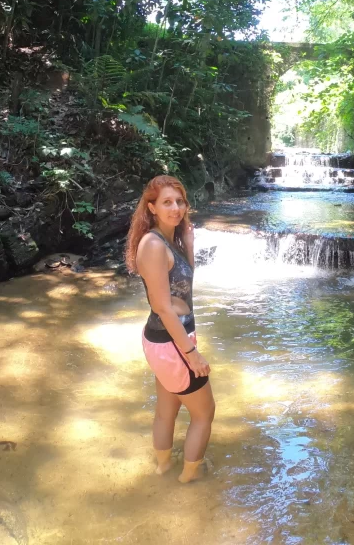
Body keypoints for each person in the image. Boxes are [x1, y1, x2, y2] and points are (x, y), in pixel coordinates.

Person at [125, 175, 214, 483]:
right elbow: (164, 307)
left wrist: (188, 245)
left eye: (179, 201)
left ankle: (163, 467)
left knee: (167, 410)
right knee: (204, 414)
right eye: (167, 202)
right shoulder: (152, 244)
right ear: (151, 207)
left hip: (166, 341)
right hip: (174, 343)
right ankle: (190, 476)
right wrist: (192, 354)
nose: (176, 208)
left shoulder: (166, 241)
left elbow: (182, 287)